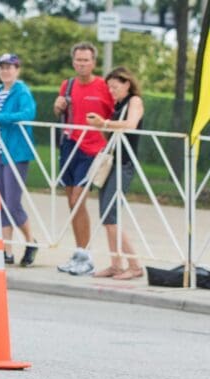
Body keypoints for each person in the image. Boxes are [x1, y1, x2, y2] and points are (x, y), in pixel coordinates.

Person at [53, 42, 114, 276]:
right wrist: (57, 106)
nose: (81, 64)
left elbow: (114, 113)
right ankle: (79, 252)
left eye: (86, 60)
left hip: (93, 148)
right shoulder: (67, 85)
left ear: (94, 62)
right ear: (73, 62)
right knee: (71, 200)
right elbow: (60, 112)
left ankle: (86, 255)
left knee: (79, 199)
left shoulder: (103, 87)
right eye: (78, 60)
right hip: (70, 144)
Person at [85, 67, 144, 280]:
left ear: (127, 83)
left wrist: (105, 123)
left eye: (115, 86)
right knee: (107, 216)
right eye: (109, 87)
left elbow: (131, 125)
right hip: (113, 162)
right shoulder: (118, 105)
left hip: (124, 163)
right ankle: (116, 264)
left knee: (111, 216)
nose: (111, 91)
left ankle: (135, 265)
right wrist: (102, 125)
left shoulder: (134, 101)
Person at [0, 53, 38, 266]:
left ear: (17, 69)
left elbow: (28, 113)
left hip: (15, 151)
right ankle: (6, 248)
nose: (5, 71)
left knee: (13, 202)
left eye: (9, 67)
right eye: (2, 67)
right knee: (0, 201)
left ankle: (31, 241)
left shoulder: (21, 90)